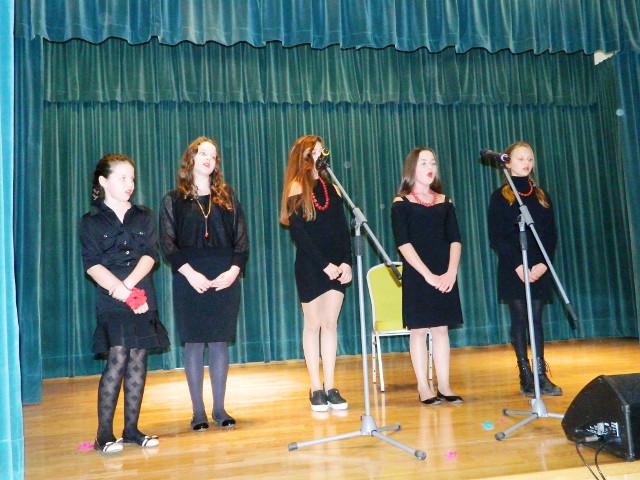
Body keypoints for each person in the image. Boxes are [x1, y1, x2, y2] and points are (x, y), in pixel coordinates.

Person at [80, 153, 169, 454]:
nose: (130, 184)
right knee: (117, 357)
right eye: (122, 178)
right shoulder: (91, 222)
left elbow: (150, 255)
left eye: (132, 178)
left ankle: (131, 430)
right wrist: (119, 290)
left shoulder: (143, 215)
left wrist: (129, 287)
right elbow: (92, 264)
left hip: (141, 294)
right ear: (104, 181)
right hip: (111, 299)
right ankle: (103, 434)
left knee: (138, 359)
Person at [160, 136, 248, 431]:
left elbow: (241, 239)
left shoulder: (228, 196)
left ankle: (219, 409)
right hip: (190, 277)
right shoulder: (173, 200)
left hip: (225, 275)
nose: (209, 158)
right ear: (191, 159)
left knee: (220, 341)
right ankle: (198, 412)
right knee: (195, 342)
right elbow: (168, 244)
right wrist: (190, 273)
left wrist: (234, 271)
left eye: (213, 154)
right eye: (203, 153)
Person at [279, 135, 352, 412]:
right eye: (316, 151)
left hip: (336, 265)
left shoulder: (333, 188)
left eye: (323, 151)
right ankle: (315, 387)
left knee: (330, 324)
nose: (322, 155)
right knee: (313, 324)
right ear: (304, 156)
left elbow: (343, 230)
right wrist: (324, 265)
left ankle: (331, 386)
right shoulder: (296, 186)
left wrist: (346, 263)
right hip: (312, 265)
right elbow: (299, 233)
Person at [487, 141, 562, 397]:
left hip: (539, 265)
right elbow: (497, 237)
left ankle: (541, 374)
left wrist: (543, 264)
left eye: (530, 158)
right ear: (508, 162)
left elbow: (550, 234)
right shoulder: (500, 197)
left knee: (536, 319)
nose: (526, 163)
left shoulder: (541, 195)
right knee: (520, 318)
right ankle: (525, 374)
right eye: (521, 158)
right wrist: (518, 265)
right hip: (513, 267)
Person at [391, 147, 464, 405]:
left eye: (432, 162)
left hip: (444, 273)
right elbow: (403, 244)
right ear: (412, 168)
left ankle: (444, 384)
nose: (430, 167)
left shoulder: (445, 202)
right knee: (419, 330)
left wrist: (451, 272)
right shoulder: (401, 204)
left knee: (441, 329)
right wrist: (428, 275)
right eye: (423, 163)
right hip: (418, 274)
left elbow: (455, 240)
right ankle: (424, 386)